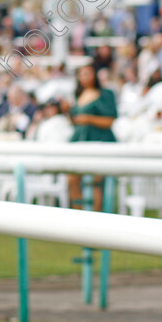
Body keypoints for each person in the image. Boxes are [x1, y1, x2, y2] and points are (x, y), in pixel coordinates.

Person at [65, 63, 117, 212]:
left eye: (87, 74)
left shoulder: (106, 94)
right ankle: (78, 212)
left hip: (99, 140)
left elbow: (110, 120)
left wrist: (88, 119)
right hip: (80, 141)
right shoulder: (78, 95)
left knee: (96, 180)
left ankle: (96, 214)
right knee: (72, 177)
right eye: (81, 74)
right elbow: (75, 121)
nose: (84, 78)